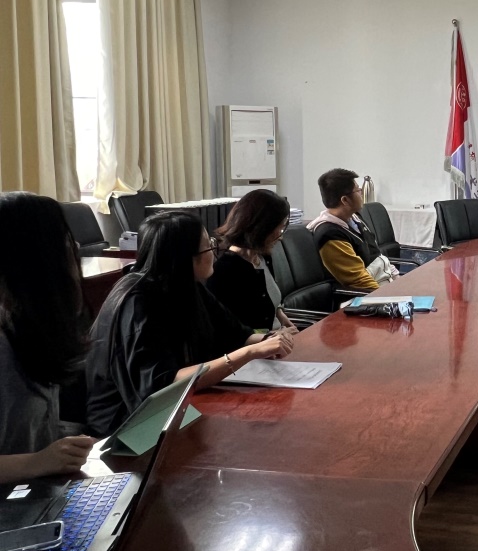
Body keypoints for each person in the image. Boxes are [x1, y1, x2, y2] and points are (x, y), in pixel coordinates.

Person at [86, 210, 293, 437]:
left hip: (178, 407)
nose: (214, 252)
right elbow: (164, 383)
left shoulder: (186, 285)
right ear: (184, 257)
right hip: (129, 426)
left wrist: (270, 340)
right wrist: (249, 352)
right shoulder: (138, 301)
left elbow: (236, 334)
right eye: (208, 247)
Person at [0, 193, 97, 481]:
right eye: (65, 240)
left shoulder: (31, 326)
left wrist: (69, 442)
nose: (75, 248)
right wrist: (36, 462)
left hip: (38, 491)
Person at [206, 189, 297, 332]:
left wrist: (282, 317)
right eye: (278, 229)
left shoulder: (263, 257)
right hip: (261, 344)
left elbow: (270, 301)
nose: (280, 237)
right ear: (261, 229)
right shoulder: (224, 272)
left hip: (279, 339)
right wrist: (273, 336)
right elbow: (229, 331)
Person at [307, 168, 396, 290]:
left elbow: (378, 256)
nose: (361, 194)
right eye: (358, 190)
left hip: (386, 283)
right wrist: (390, 296)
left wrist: (398, 280)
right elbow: (359, 280)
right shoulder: (330, 235)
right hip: (368, 294)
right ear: (345, 200)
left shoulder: (355, 219)